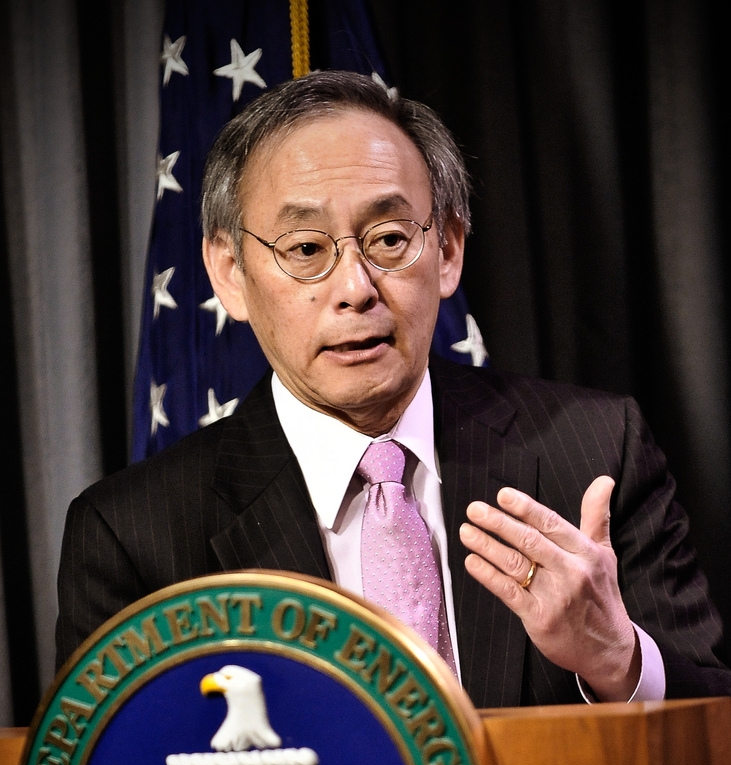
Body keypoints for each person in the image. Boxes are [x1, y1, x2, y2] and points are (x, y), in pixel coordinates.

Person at [55, 70, 731, 707]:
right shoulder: (133, 537)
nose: (355, 289)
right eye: (306, 249)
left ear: (447, 250)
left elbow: (712, 730)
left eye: (387, 238)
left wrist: (617, 659)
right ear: (230, 273)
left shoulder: (592, 455)